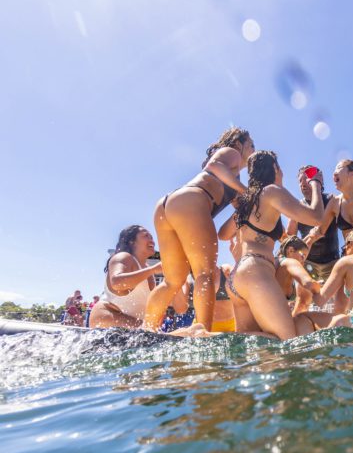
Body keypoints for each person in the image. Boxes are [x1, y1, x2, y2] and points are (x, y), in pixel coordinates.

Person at [144, 126, 255, 331]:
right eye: (251, 145)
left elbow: (241, 209)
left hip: (169, 206)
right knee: (205, 274)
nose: (253, 151)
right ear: (238, 143)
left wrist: (252, 202)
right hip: (192, 200)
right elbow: (214, 165)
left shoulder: (234, 179)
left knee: (173, 281)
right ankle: (202, 330)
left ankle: (147, 329)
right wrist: (248, 191)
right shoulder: (232, 153)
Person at [227, 150, 324, 340]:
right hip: (256, 270)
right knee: (285, 340)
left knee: (250, 343)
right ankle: (203, 336)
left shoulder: (247, 202)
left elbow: (223, 233)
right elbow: (316, 216)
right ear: (274, 168)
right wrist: (316, 184)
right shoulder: (271, 191)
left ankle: (205, 336)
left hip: (237, 277)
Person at [90, 226, 166, 329]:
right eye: (146, 236)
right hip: (109, 316)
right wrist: (153, 269)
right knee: (150, 332)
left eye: (152, 237)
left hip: (132, 324)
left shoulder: (148, 270)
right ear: (132, 241)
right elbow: (117, 283)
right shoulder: (124, 257)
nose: (151, 240)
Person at [286, 165, 340, 283]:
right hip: (308, 262)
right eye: (300, 180)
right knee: (304, 298)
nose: (302, 183)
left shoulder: (331, 199)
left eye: (306, 178)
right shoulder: (298, 206)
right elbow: (289, 237)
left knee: (341, 299)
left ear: (317, 180)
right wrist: (293, 216)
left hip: (332, 261)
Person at [276, 236, 321, 315]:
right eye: (302, 256)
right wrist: (323, 287)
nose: (303, 260)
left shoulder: (278, 263)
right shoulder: (290, 262)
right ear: (290, 251)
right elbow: (309, 284)